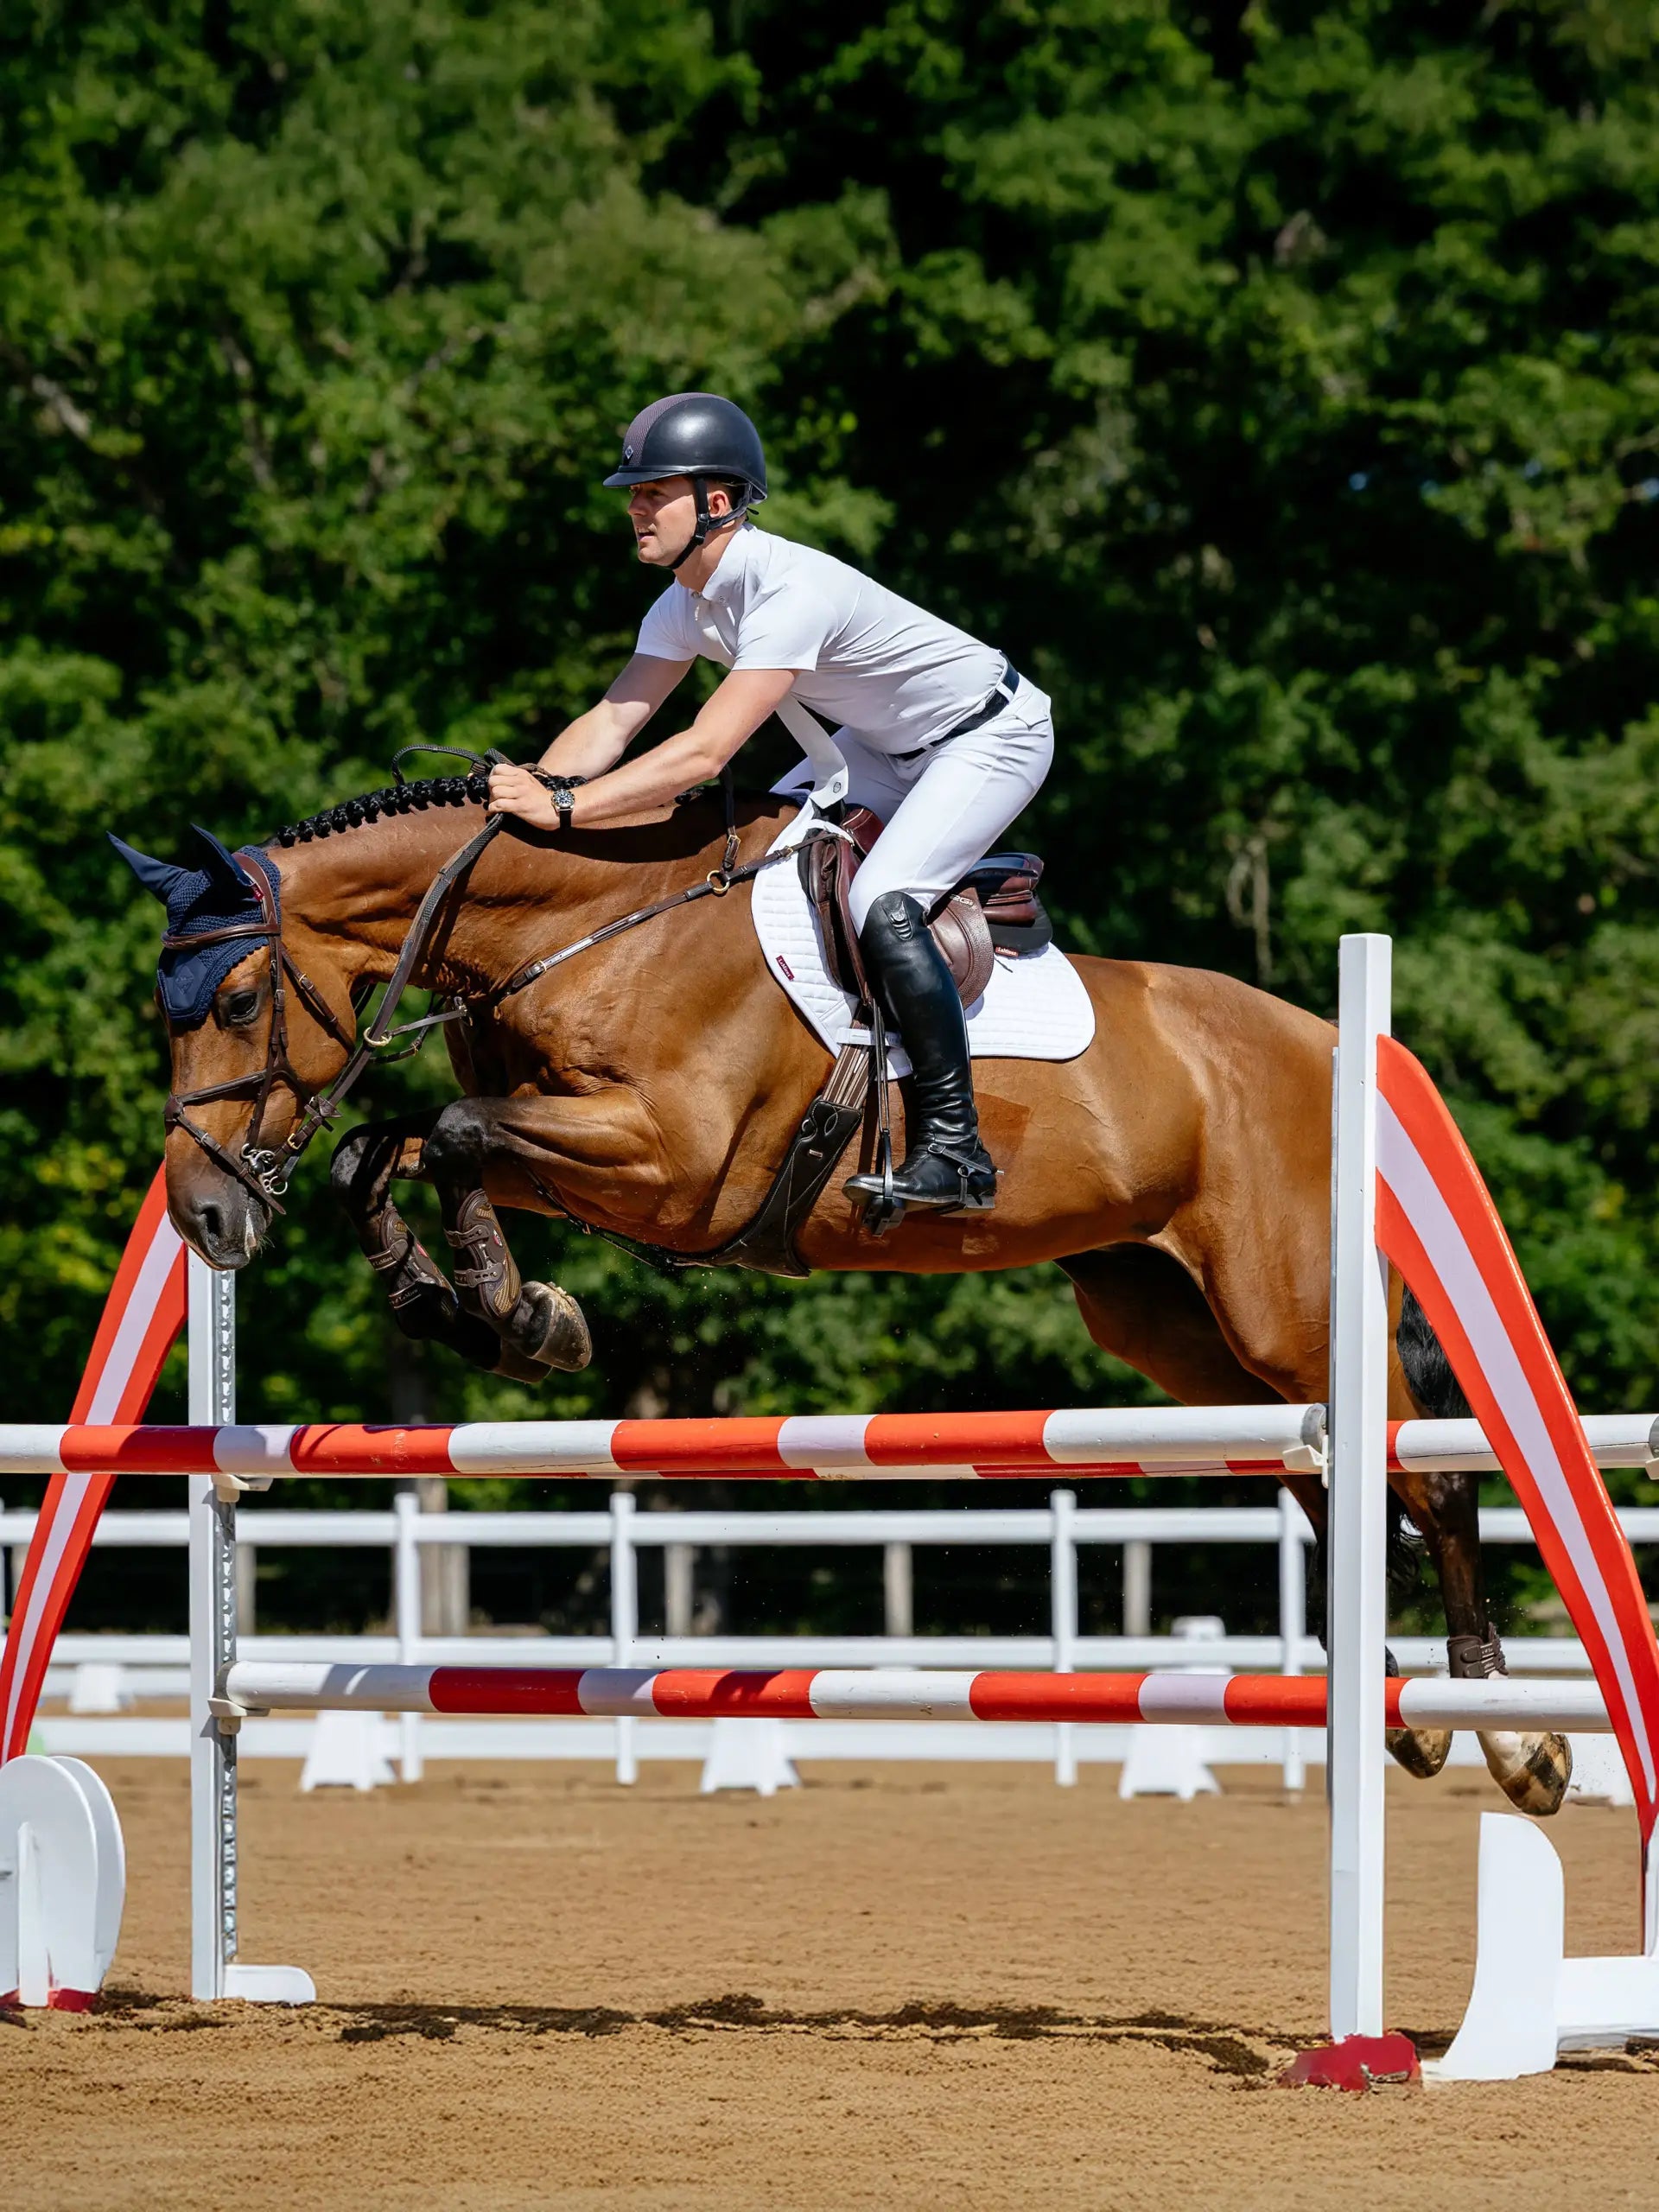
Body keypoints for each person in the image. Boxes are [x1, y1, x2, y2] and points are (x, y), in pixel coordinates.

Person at [487, 391, 1054, 1215]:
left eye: (654, 491)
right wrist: (525, 799)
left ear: (717, 503)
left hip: (988, 737)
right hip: (881, 748)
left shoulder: (791, 589)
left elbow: (704, 751)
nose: (635, 507)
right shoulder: (685, 602)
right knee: (748, 862)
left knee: (880, 902)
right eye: (634, 493)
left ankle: (956, 1151)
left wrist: (568, 812)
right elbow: (613, 720)